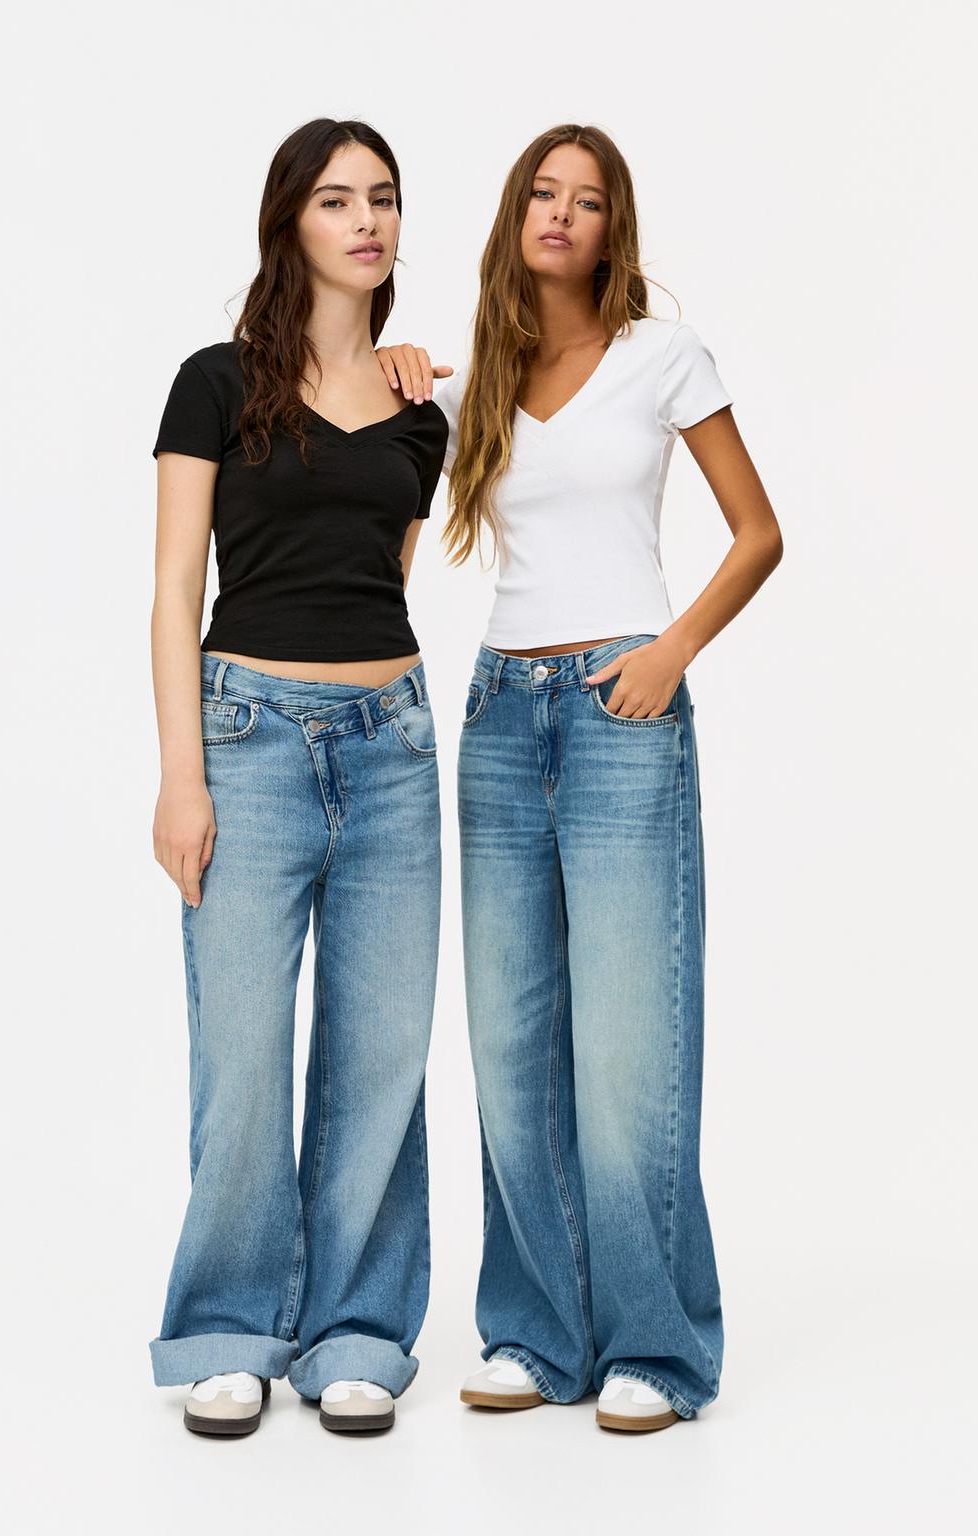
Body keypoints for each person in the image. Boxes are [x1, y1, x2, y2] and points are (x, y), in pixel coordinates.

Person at [378, 123, 782, 1433]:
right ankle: (537, 1333)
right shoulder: (481, 377)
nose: (561, 213)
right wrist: (395, 374)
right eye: (542, 194)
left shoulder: (665, 353)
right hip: (501, 715)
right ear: (516, 217)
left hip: (622, 710)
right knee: (511, 1045)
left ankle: (657, 1348)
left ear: (614, 227)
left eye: (587, 199)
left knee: (626, 1052)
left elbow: (758, 532)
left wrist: (670, 651)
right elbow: (376, 498)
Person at [148, 118, 448, 1437]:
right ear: (291, 223)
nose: (366, 220)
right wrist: (184, 774)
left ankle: (357, 1332)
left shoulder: (421, 408)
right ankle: (227, 1327)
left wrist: (410, 374)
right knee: (243, 1056)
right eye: (337, 199)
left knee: (380, 1055)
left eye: (383, 197)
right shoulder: (215, 382)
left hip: (392, 743)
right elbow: (175, 589)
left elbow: (382, 577)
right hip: (248, 739)